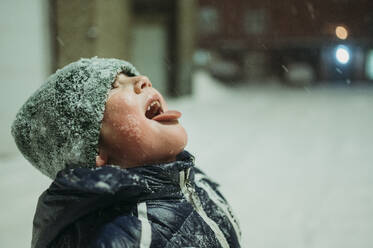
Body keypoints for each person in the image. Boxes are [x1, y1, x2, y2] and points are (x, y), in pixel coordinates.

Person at [12, 57, 241, 248]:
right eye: (113, 86)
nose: (143, 79)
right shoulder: (125, 238)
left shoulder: (189, 178)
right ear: (96, 149)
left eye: (130, 75)